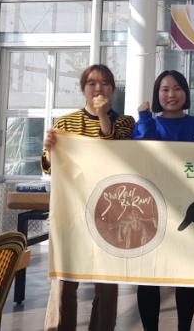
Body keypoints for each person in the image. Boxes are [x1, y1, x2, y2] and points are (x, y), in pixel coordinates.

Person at [41, 64, 135, 331]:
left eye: (104, 83)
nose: (98, 89)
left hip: (110, 214)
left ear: (113, 90)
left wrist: (103, 115)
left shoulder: (126, 122)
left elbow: (115, 154)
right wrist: (49, 151)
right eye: (92, 83)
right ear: (83, 89)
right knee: (65, 279)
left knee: (106, 283)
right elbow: (51, 169)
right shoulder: (65, 123)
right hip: (71, 212)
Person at [132, 70, 194, 331]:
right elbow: (146, 150)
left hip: (191, 211)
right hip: (151, 211)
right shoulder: (147, 123)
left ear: (186, 92)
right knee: (148, 276)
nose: (171, 94)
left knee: (186, 276)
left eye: (177, 89)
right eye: (165, 89)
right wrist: (144, 117)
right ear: (157, 94)